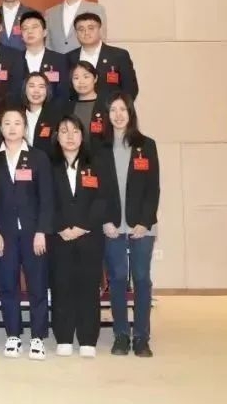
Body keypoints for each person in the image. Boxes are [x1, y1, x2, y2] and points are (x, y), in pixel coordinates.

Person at [97, 93, 159, 357]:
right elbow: (95, 189)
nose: (118, 115)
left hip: (142, 225)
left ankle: (142, 337)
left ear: (131, 112)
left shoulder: (146, 145)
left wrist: (145, 222)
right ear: (107, 115)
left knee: (142, 279)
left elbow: (153, 188)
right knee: (118, 279)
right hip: (111, 225)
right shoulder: (99, 147)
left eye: (123, 109)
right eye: (113, 110)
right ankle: (121, 334)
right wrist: (104, 220)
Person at [0, 107, 54, 361]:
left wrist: (42, 231)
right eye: (7, 123)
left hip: (33, 233)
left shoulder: (38, 157)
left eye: (17, 123)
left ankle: (38, 336)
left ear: (25, 128)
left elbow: (47, 198)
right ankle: (13, 335)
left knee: (37, 285)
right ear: (1, 128)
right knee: (8, 285)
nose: (12, 128)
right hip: (4, 234)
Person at [49, 114, 108, 358]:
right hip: (59, 236)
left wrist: (83, 226)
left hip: (89, 236)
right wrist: (60, 227)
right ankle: (63, 336)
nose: (70, 136)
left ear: (83, 136)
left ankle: (87, 338)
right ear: (57, 137)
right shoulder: (49, 165)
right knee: (61, 285)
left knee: (88, 287)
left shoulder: (96, 164)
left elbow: (103, 199)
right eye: (64, 131)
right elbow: (45, 200)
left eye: (75, 131)